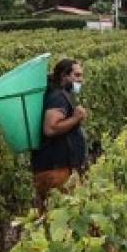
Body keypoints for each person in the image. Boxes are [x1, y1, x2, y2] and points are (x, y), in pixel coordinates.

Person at [32, 58, 88, 199]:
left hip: (56, 168)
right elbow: (50, 128)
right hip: (55, 169)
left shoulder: (58, 93)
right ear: (64, 76)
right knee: (57, 213)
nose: (80, 80)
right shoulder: (58, 96)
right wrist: (76, 118)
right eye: (76, 75)